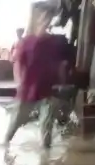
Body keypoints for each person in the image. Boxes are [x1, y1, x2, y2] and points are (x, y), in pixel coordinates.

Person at [4, 10, 69, 148]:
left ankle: (45, 159)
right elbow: (18, 63)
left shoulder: (54, 42)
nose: (45, 21)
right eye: (42, 18)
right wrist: (19, 82)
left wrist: (62, 83)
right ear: (36, 21)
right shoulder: (27, 42)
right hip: (28, 90)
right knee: (16, 122)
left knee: (47, 126)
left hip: (48, 90)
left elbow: (60, 64)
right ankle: (5, 145)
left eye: (48, 18)